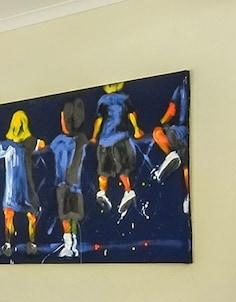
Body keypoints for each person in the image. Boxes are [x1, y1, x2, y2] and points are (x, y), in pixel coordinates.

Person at [0, 109, 44, 255]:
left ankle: (8, 245)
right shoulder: (30, 143)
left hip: (11, 187)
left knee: (9, 215)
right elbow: (42, 144)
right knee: (31, 214)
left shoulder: (6, 145)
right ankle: (32, 243)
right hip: (26, 186)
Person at [92, 82, 142, 214]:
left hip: (112, 139)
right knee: (118, 170)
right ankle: (120, 192)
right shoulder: (120, 98)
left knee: (109, 171)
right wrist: (136, 130)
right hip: (113, 139)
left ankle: (107, 192)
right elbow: (131, 114)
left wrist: (94, 137)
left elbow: (99, 119)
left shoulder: (110, 99)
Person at [50, 97, 91, 256]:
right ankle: (72, 243)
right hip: (75, 184)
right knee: (73, 215)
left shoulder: (59, 141)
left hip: (64, 183)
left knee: (66, 216)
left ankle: (69, 244)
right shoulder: (81, 140)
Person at [151, 77, 190, 213]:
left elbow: (171, 111)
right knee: (186, 166)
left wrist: (160, 123)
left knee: (157, 132)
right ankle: (188, 196)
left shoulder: (179, 88)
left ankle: (170, 155)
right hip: (188, 135)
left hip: (178, 132)